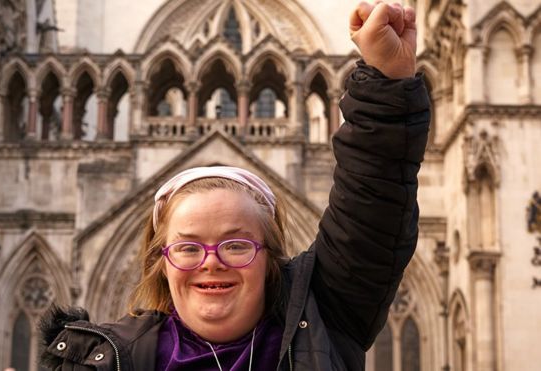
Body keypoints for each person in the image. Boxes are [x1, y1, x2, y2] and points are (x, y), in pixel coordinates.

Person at [40, 1, 430, 370]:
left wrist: (386, 81)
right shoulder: (101, 361)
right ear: (161, 262)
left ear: (272, 261)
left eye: (237, 244)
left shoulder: (323, 324)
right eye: (188, 247)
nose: (212, 260)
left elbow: (368, 214)